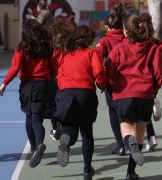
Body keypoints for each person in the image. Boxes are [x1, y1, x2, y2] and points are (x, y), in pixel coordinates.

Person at [105, 14, 162, 180]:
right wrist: (154, 88)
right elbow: (160, 71)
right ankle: (130, 172)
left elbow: (109, 69)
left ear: (125, 31)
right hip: (145, 94)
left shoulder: (118, 48)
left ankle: (129, 142)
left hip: (123, 94)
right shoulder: (153, 48)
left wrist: (110, 87)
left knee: (126, 128)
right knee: (140, 133)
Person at [0, 19, 55, 168]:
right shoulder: (46, 47)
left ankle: (36, 146)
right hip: (45, 85)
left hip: (29, 86)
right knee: (37, 118)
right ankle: (38, 146)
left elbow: (15, 67)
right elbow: (53, 67)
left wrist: (5, 83)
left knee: (30, 118)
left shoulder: (22, 47)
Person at [53, 25, 106, 180]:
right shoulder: (91, 53)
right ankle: (87, 170)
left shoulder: (66, 55)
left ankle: (65, 141)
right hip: (85, 94)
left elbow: (60, 76)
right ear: (88, 39)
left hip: (67, 94)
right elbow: (98, 71)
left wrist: (62, 94)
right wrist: (102, 84)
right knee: (87, 133)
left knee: (70, 129)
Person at [95, 3, 126, 156]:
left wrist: (99, 80)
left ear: (107, 27)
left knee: (113, 112)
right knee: (129, 113)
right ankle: (132, 141)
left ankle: (121, 145)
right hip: (131, 80)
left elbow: (96, 60)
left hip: (113, 82)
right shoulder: (128, 37)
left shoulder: (105, 41)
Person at [45, 17, 75, 141]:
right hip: (66, 78)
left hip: (53, 77)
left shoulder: (49, 44)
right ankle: (62, 127)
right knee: (64, 104)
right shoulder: (68, 42)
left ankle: (55, 128)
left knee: (53, 105)